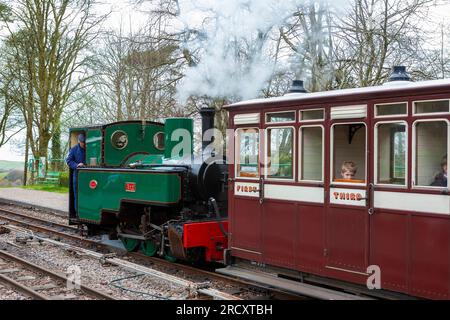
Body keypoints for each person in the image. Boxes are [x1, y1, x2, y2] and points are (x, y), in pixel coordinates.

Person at [66, 134, 86, 212]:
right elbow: (68, 161)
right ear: (79, 141)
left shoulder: (89, 149)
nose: (83, 144)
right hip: (77, 176)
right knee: (77, 195)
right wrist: (77, 165)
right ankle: (78, 212)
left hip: (87, 176)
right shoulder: (73, 149)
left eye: (84, 142)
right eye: (82, 142)